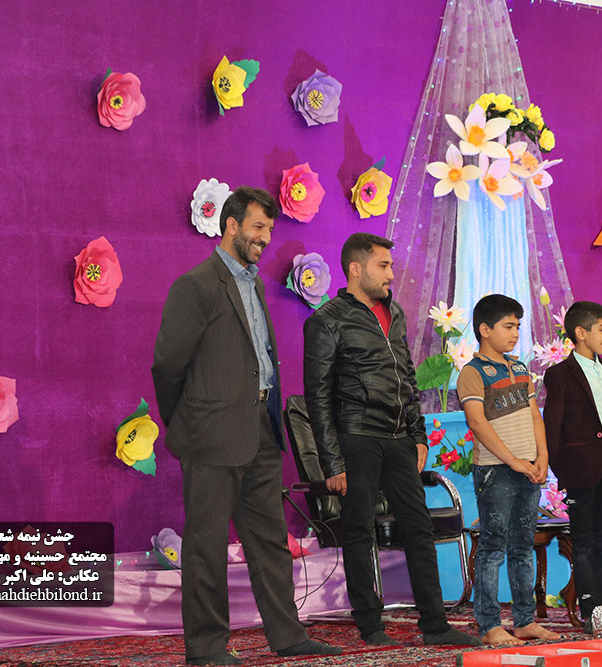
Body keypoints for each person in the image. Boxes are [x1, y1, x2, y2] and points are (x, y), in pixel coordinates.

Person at [152, 186, 340, 665]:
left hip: (260, 429)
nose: (265, 238)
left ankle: (288, 635)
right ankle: (206, 648)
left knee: (270, 541)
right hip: (210, 434)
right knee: (207, 545)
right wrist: (186, 424)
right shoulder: (195, 285)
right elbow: (168, 366)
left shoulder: (253, 283)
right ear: (232, 225)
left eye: (270, 230)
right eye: (258, 227)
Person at [302, 232, 480, 647]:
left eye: (391, 266)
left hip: (400, 438)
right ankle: (370, 625)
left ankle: (435, 624)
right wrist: (333, 463)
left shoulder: (394, 312)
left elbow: (406, 378)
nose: (391, 275)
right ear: (355, 269)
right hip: (357, 437)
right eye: (383, 266)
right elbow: (318, 396)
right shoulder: (326, 320)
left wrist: (419, 436)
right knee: (358, 531)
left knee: (418, 528)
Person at [457, 294, 561, 646]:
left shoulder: (519, 369)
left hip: (528, 468)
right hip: (495, 470)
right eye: (508, 326)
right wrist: (514, 461)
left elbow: (534, 416)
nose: (515, 333)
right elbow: (477, 422)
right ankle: (489, 624)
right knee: (492, 548)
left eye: (518, 326)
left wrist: (542, 456)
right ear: (485, 330)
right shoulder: (472, 373)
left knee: (522, 546)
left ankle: (525, 621)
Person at [543, 301, 602, 632]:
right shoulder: (560, 374)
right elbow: (553, 427)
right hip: (579, 467)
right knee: (583, 539)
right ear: (581, 333)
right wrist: (563, 470)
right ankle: (590, 608)